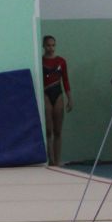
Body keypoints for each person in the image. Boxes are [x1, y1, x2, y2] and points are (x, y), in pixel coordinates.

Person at [42, 35, 72, 166]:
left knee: (58, 131)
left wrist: (70, 98)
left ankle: (57, 161)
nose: (51, 48)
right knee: (48, 130)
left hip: (58, 94)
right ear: (43, 46)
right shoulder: (40, 61)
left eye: (53, 45)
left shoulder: (61, 61)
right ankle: (51, 160)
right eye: (48, 45)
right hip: (46, 94)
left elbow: (65, 80)